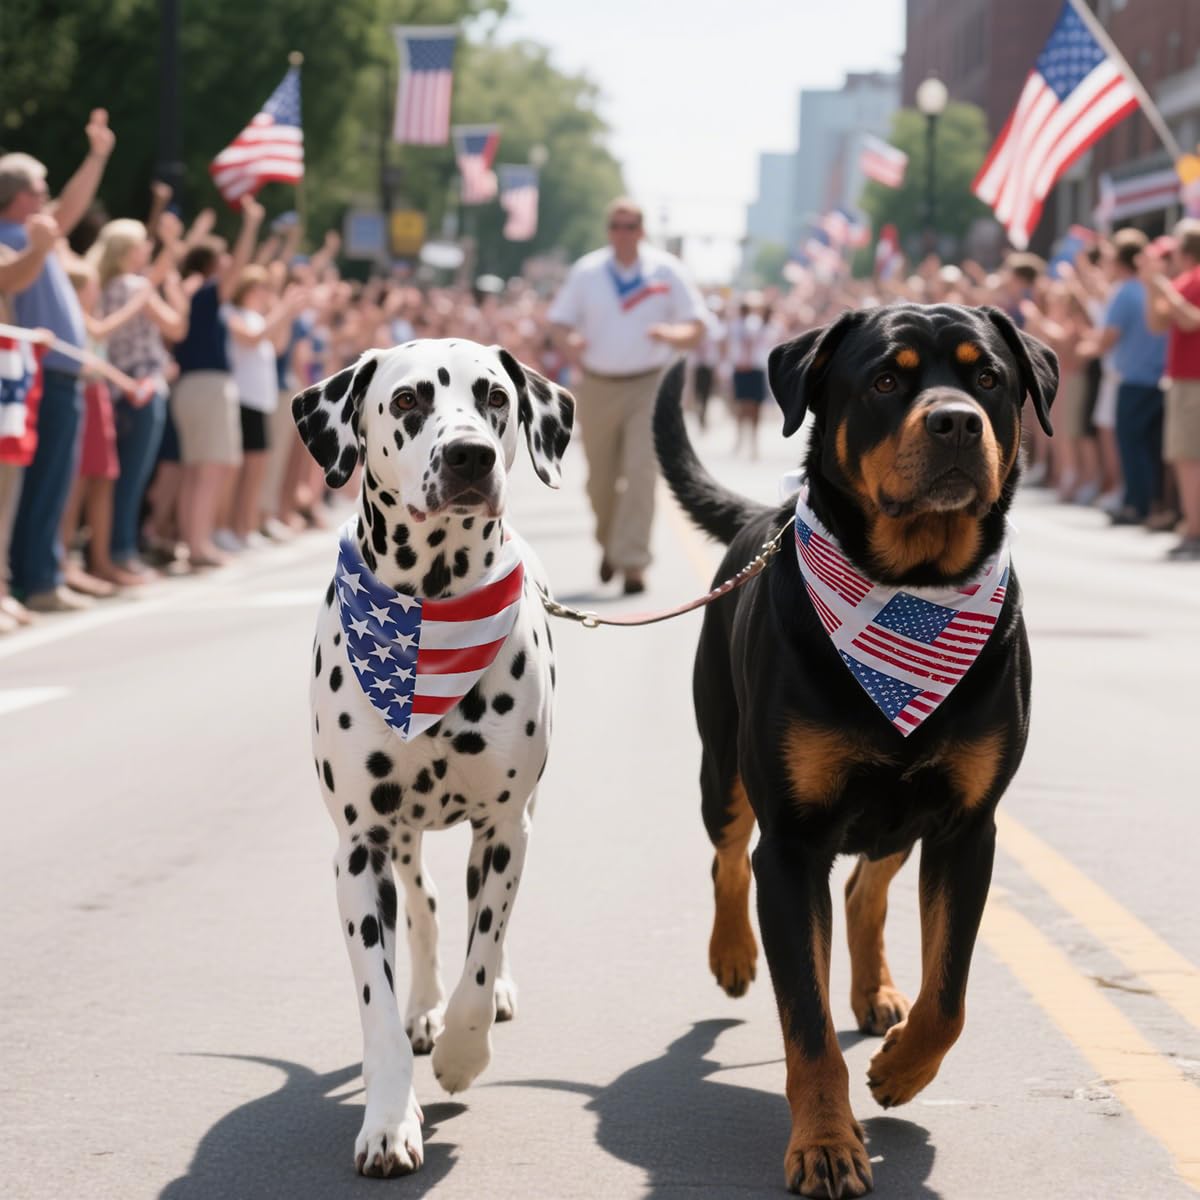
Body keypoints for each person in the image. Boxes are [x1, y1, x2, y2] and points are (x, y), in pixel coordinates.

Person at [548, 197, 707, 593]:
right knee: (599, 482)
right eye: (616, 226)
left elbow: (697, 325)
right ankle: (610, 545)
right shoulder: (588, 272)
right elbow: (559, 323)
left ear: (642, 230)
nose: (623, 233)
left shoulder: (665, 270)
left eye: (630, 226)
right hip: (598, 385)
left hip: (648, 384)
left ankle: (633, 562)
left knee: (641, 472)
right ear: (609, 230)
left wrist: (672, 334)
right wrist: (570, 343)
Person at [0, 108, 115, 612]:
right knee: (38, 483)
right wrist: (40, 246)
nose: (47, 197)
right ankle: (35, 581)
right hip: (37, 374)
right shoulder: (13, 236)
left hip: (58, 374)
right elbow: (11, 278)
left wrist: (97, 156)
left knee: (52, 483)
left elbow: (68, 209)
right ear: (20, 196)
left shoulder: (36, 234)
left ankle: (42, 575)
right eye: (39, 189)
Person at [91, 212, 189, 577]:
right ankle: (122, 550)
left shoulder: (108, 285)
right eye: (142, 244)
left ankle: (117, 549)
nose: (147, 249)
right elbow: (176, 327)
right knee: (132, 477)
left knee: (120, 478)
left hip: (120, 390)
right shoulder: (134, 287)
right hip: (142, 392)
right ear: (128, 250)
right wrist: (173, 283)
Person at [171, 195, 264, 567]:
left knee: (197, 470)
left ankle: (194, 541)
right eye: (221, 258)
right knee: (210, 470)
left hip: (190, 385)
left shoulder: (188, 291)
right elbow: (239, 265)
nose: (229, 263)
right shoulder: (207, 293)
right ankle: (198, 546)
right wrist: (250, 225)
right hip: (208, 384)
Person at [1080, 229, 1166, 526]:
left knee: (1130, 444)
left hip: (1132, 379)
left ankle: (1135, 505)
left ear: (1119, 260)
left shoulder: (1124, 292)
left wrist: (1087, 347)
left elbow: (1108, 338)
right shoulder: (1148, 289)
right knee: (1151, 447)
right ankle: (1153, 504)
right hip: (1157, 378)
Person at [1142, 219, 1200, 561]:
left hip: (1194, 381)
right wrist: (1153, 286)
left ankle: (1195, 531)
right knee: (1182, 455)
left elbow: (1191, 319)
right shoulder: (1183, 281)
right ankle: (1191, 525)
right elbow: (1157, 323)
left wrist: (1162, 285)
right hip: (1182, 379)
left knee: (1189, 455)